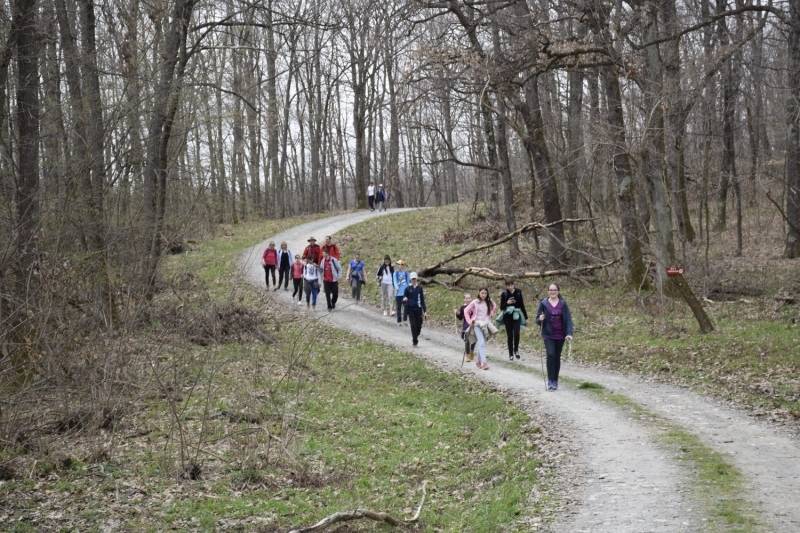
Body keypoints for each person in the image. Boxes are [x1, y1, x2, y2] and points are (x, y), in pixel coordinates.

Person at [536, 283, 575, 391]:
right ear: (548, 291)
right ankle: (550, 381)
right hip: (548, 335)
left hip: (560, 335)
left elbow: (568, 319)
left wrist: (569, 333)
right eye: (550, 290)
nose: (552, 292)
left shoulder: (563, 304)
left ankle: (555, 380)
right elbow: (537, 320)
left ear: (558, 291)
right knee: (551, 354)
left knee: (557, 357)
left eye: (554, 290)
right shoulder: (543, 303)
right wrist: (540, 319)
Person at [464, 287, 497, 370]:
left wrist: (492, 313)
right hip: (477, 324)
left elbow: (494, 306)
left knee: (483, 343)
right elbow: (466, 311)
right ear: (479, 293)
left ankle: (478, 361)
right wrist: (470, 321)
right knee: (481, 342)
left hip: (485, 324)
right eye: (482, 293)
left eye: (485, 293)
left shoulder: (489, 301)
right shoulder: (475, 302)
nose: (483, 295)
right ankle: (484, 363)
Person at [499, 278, 528, 360]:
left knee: (517, 333)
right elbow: (501, 307)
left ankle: (516, 350)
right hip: (507, 316)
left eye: (511, 285)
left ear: (513, 284)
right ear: (506, 286)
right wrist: (507, 303)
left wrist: (526, 317)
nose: (510, 287)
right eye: (508, 285)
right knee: (509, 336)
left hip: (517, 315)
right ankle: (510, 354)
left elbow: (522, 305)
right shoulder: (504, 294)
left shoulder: (518, 292)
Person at [403, 272, 427, 346]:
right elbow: (404, 298)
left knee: (419, 325)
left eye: (415, 279)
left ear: (416, 279)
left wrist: (425, 311)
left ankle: (416, 335)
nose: (413, 280)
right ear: (410, 280)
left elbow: (422, 300)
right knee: (413, 325)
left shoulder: (419, 288)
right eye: (412, 279)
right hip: (411, 309)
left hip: (418, 309)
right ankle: (414, 340)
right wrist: (405, 299)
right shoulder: (407, 289)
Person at [455, 293, 476, 362]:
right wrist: (457, 313)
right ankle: (467, 354)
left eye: (469, 298)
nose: (468, 300)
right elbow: (460, 317)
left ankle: (471, 352)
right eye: (466, 298)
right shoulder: (462, 307)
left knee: (473, 340)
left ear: (471, 299)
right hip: (465, 326)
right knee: (466, 341)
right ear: (464, 299)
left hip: (473, 325)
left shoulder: (474, 306)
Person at [392, 259, 411, 324]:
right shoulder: (395, 273)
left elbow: (408, 282)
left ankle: (405, 320)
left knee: (405, 307)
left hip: (405, 293)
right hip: (398, 293)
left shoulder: (406, 273)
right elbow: (394, 282)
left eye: (402, 264)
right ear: (397, 265)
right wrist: (397, 288)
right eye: (399, 264)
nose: (401, 266)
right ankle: (399, 321)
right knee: (399, 307)